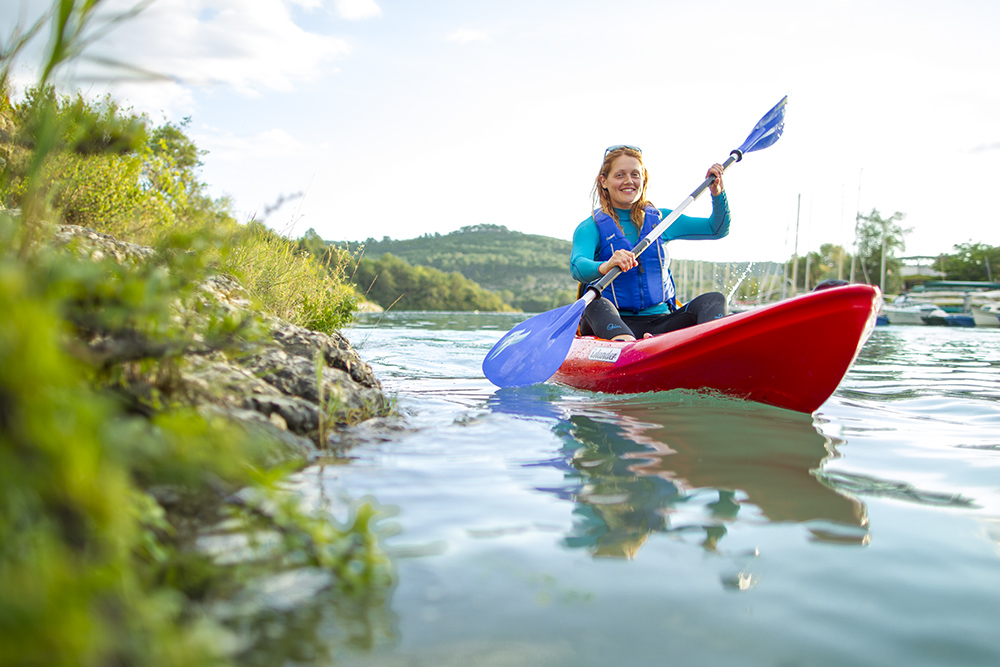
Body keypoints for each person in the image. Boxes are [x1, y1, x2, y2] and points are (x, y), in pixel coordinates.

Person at [570, 144, 732, 341]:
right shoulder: (591, 227)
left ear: (643, 178)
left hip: (661, 323)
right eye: (620, 175)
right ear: (604, 181)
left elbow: (716, 229)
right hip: (611, 322)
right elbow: (578, 266)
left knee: (714, 300)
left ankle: (712, 347)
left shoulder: (663, 221)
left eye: (635, 174)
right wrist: (605, 266)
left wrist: (717, 193)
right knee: (595, 304)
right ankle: (629, 347)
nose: (629, 181)